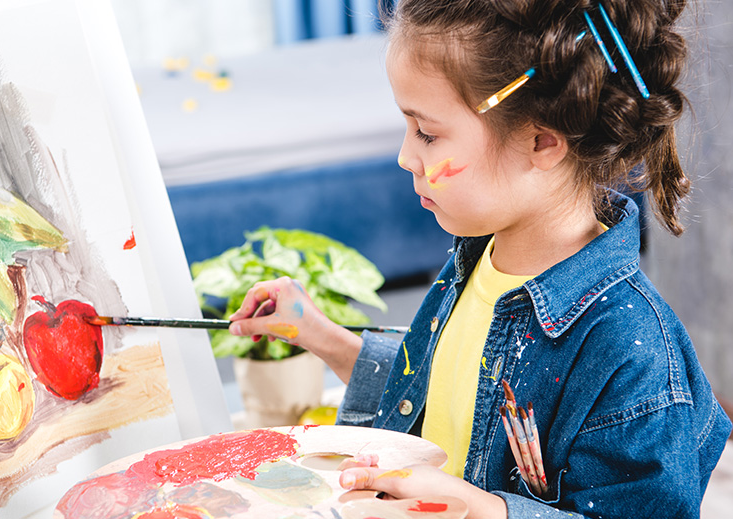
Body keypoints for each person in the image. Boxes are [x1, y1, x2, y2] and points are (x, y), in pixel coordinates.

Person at [226, 0, 731, 517]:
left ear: (540, 141)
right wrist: (319, 334)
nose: (405, 156)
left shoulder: (630, 351)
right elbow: (440, 392)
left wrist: (485, 508)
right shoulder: (477, 262)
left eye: (427, 132)